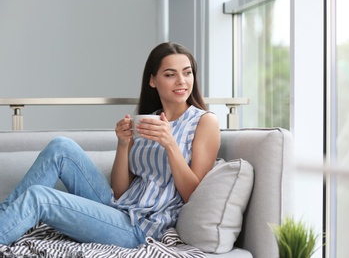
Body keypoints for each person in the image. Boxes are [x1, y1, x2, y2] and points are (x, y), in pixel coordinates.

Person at [0, 42, 220, 248]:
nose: (182, 81)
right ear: (153, 81)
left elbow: (194, 195)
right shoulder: (147, 120)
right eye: (170, 74)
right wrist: (123, 145)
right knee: (61, 147)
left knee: (40, 197)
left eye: (187, 72)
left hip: (141, 228)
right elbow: (120, 190)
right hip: (119, 208)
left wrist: (170, 145)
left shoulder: (204, 122)